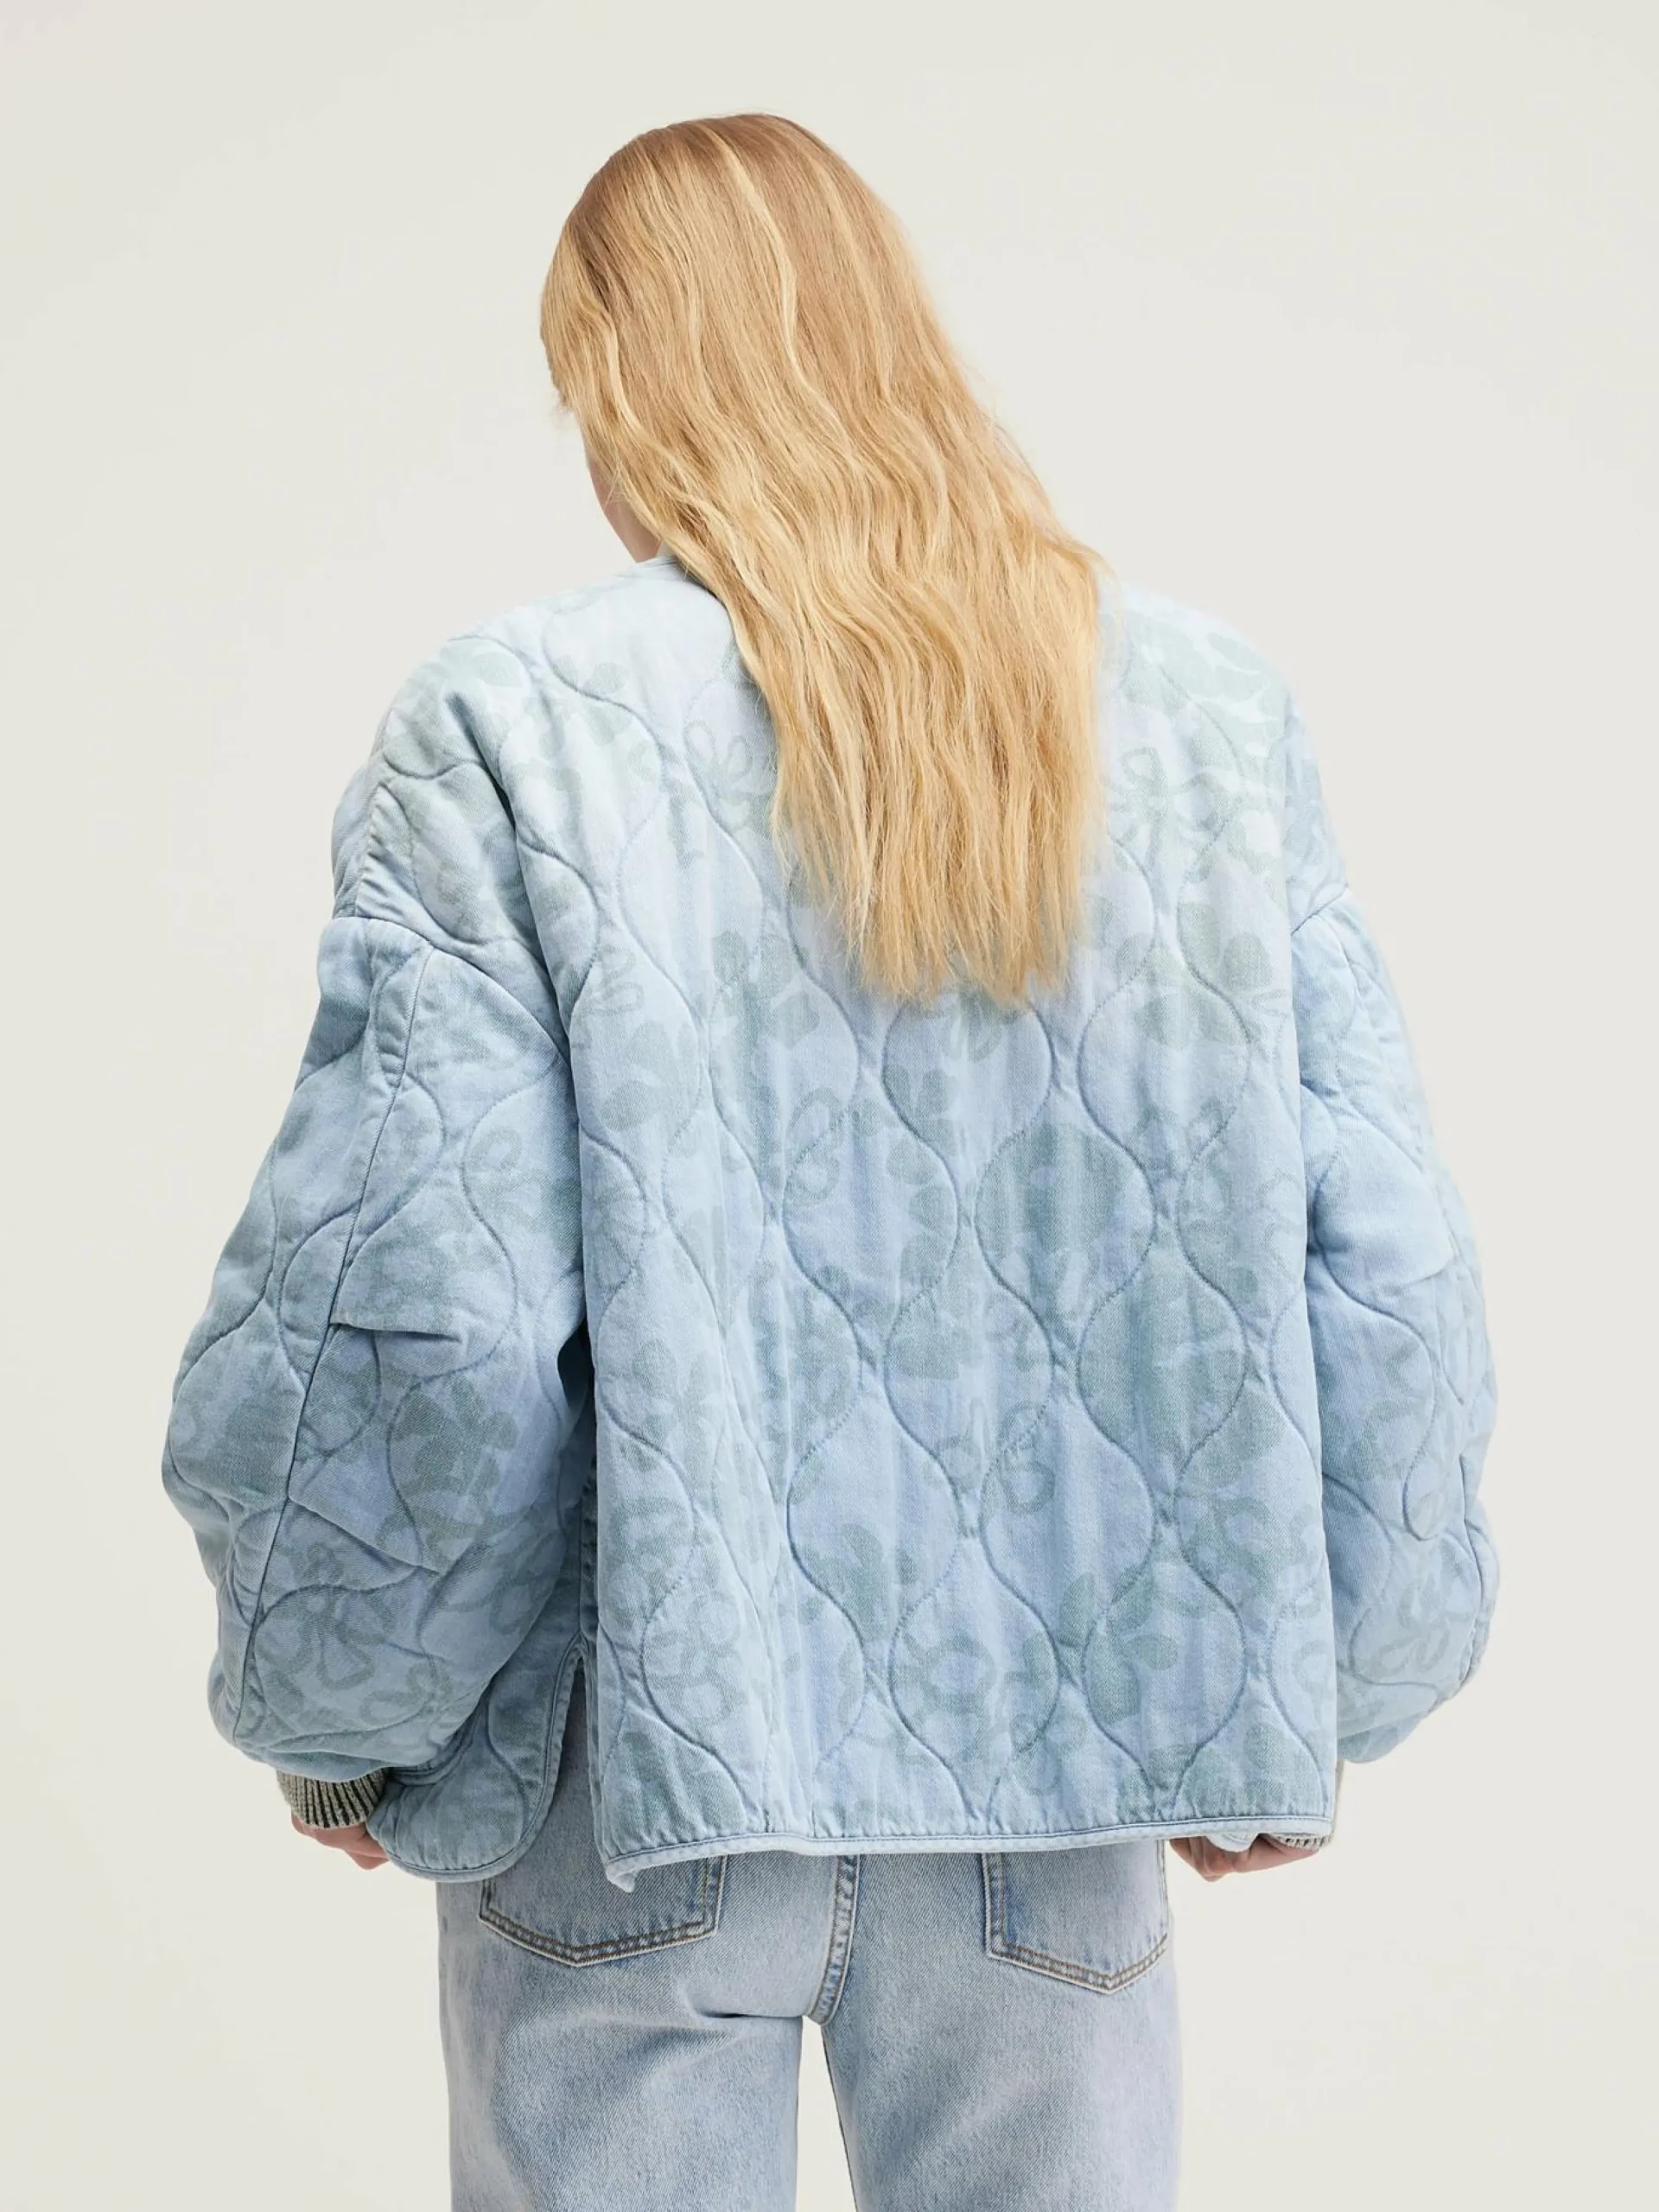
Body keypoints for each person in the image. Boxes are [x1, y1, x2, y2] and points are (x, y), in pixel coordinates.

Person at [161, 112, 1498, 2212]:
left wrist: (348, 1695)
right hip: (1064, 1789)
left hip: (640, 1794)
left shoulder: (514, 727)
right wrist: (1326, 1679)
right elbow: (1386, 1270)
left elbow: (415, 1303)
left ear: (627, 384)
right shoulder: (1207, 719)